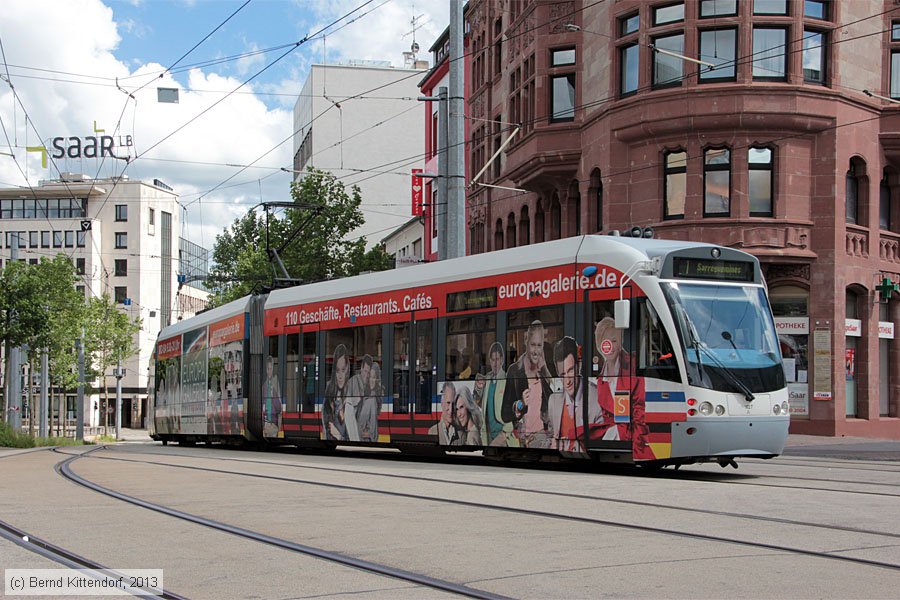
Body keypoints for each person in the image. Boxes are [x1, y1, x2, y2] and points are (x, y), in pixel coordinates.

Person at [591, 317, 653, 460]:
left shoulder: (633, 364)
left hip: (633, 439)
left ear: (620, 341)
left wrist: (637, 447)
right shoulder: (600, 381)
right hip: (614, 437)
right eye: (606, 342)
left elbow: (639, 412)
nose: (611, 347)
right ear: (599, 345)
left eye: (614, 341)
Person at [501, 321, 553, 448]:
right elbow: (505, 414)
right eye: (533, 345)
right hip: (522, 439)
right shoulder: (514, 371)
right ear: (526, 342)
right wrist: (521, 404)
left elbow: (552, 406)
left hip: (541, 437)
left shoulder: (543, 372)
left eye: (539, 345)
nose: (536, 351)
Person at [548, 336, 598, 452]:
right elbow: (550, 435)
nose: (567, 381)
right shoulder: (553, 401)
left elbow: (602, 438)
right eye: (562, 375)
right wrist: (551, 444)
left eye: (570, 371)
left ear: (578, 366)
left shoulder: (597, 398)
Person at [481, 342, 508, 446]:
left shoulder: (506, 379)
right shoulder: (487, 379)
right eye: (492, 360)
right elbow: (479, 402)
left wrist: (504, 434)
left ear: (502, 360)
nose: (495, 363)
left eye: (497, 359)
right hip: (488, 434)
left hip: (502, 436)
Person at [323, 344, 350, 441]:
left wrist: (339, 436)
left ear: (347, 369)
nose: (340, 376)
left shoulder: (351, 391)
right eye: (338, 370)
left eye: (343, 370)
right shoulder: (329, 390)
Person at [344, 354, 373, 442]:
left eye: (368, 373)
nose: (366, 375)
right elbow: (350, 401)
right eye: (365, 371)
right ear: (361, 368)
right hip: (351, 414)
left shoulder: (368, 383)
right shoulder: (354, 381)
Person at [357, 362, 382, 442]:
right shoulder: (365, 396)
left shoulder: (372, 399)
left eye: (374, 377)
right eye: (370, 377)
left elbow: (373, 428)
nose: (371, 380)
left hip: (366, 439)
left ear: (377, 379)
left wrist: (369, 434)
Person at [263, 356, 282, 438]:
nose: (269, 371)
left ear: (273, 369)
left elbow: (279, 408)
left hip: (274, 423)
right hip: (266, 423)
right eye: (268, 369)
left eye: (270, 369)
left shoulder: (276, 383)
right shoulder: (264, 385)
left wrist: (273, 393)